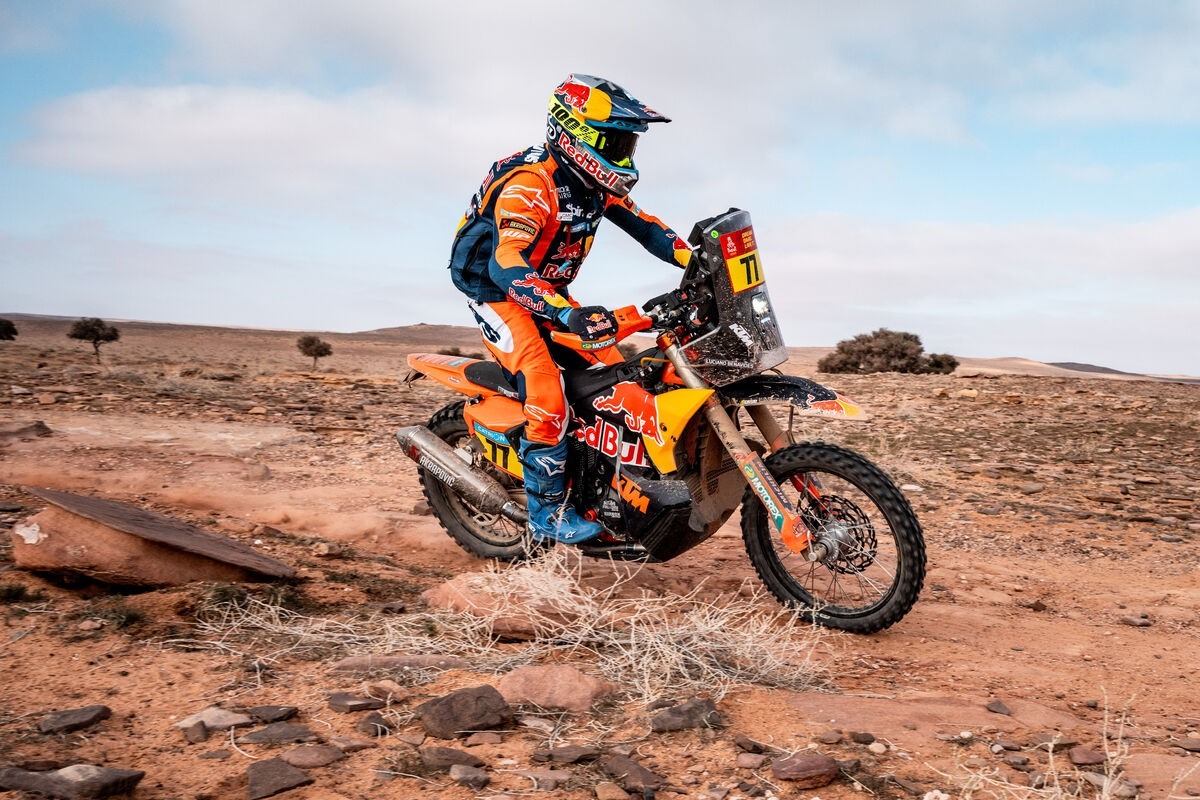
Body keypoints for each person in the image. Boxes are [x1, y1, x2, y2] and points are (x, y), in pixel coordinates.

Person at [449, 74, 692, 544]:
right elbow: (505, 263)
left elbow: (647, 227)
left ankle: (602, 482)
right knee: (546, 391)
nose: (624, 154)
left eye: (628, 144)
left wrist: (697, 260)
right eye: (614, 142)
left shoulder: (591, 181)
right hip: (497, 290)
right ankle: (547, 512)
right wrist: (563, 314)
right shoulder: (530, 185)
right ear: (573, 135)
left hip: (548, 287)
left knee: (615, 376)